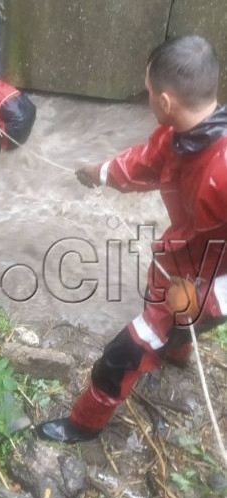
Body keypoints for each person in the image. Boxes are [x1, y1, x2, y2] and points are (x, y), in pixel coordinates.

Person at [37, 35, 227, 443]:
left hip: (210, 281)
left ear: (163, 102)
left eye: (147, 93)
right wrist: (99, 173)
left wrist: (207, 298)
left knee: (121, 355)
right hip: (181, 259)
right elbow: (145, 162)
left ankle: (83, 425)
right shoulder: (175, 136)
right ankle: (176, 352)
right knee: (164, 311)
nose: (146, 100)